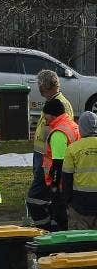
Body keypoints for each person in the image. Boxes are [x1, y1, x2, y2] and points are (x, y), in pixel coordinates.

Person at [28, 70, 74, 230]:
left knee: (37, 199)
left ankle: (49, 230)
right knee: (47, 199)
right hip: (44, 159)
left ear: (44, 86)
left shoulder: (61, 104)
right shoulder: (52, 101)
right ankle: (51, 227)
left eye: (39, 85)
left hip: (50, 161)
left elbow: (61, 134)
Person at [37, 98, 80, 231]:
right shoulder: (71, 125)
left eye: (46, 115)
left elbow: (58, 163)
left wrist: (55, 186)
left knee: (61, 217)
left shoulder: (58, 133)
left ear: (53, 114)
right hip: (74, 179)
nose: (45, 119)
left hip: (61, 184)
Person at [62, 112, 97, 230]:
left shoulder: (72, 149)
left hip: (80, 204)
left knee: (79, 242)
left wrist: (68, 201)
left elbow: (66, 178)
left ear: (80, 127)